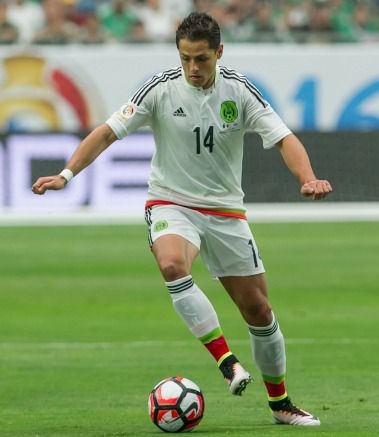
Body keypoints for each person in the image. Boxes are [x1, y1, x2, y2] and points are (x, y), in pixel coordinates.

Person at [32, 11, 330, 427]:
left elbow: (284, 139)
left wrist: (309, 179)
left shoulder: (241, 91)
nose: (193, 68)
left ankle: (281, 404)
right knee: (172, 264)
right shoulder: (159, 89)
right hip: (170, 202)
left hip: (225, 211)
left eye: (202, 59)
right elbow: (105, 132)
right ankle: (227, 362)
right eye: (186, 58)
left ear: (219, 52)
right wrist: (66, 175)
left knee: (259, 311)